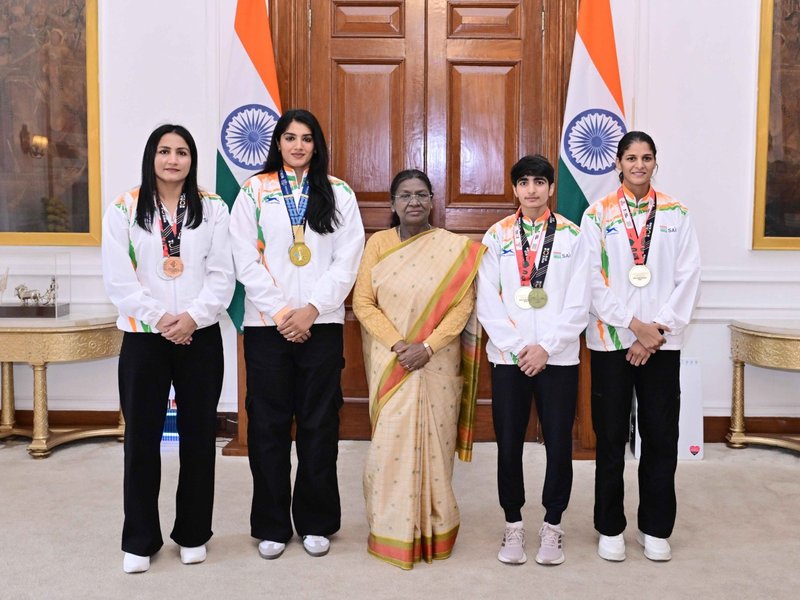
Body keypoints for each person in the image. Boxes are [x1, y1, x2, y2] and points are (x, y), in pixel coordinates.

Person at [229, 109, 364, 560]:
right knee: (266, 425)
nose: (298, 146)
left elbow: (348, 260)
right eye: (290, 137)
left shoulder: (338, 192)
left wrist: (311, 309)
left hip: (320, 325)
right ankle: (271, 523)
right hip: (268, 327)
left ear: (317, 144)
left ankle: (316, 520)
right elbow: (244, 259)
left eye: (307, 138)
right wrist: (284, 311)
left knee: (319, 424)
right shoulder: (255, 190)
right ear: (278, 143)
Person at [101, 124, 235, 574]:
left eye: (181, 151)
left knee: (199, 437)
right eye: (164, 151)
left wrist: (192, 318)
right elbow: (119, 278)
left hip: (199, 336)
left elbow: (222, 273)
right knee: (141, 439)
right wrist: (161, 320)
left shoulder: (213, 207)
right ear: (151, 157)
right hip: (144, 338)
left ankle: (193, 533)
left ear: (192, 159)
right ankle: (140, 539)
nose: (173, 159)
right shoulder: (124, 207)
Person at [353, 169, 485, 570]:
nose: (414, 201)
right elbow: (362, 303)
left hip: (436, 362)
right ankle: (391, 529)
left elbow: (463, 305)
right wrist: (399, 346)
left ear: (433, 201)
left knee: (436, 447)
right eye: (405, 195)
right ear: (393, 204)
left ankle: (435, 527)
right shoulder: (378, 244)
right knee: (389, 446)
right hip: (391, 361)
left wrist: (427, 347)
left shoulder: (453, 248)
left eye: (422, 194)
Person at [580, 131, 701, 562]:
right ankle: (610, 527)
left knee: (661, 436)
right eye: (630, 157)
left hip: (660, 346)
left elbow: (689, 276)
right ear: (617, 163)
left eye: (646, 157)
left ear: (655, 163)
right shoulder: (597, 215)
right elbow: (592, 280)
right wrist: (633, 326)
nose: (638, 164)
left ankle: (655, 527)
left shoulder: (676, 213)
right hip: (612, 341)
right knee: (611, 435)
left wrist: (656, 332)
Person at [476, 155, 589, 566]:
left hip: (557, 359)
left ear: (551, 188)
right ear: (514, 189)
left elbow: (581, 300)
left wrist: (548, 346)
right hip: (509, 359)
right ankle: (513, 525)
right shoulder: (497, 235)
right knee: (509, 444)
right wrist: (518, 346)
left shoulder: (574, 237)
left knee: (559, 444)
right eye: (523, 182)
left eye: (539, 182)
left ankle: (553, 527)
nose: (532, 190)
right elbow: (487, 299)